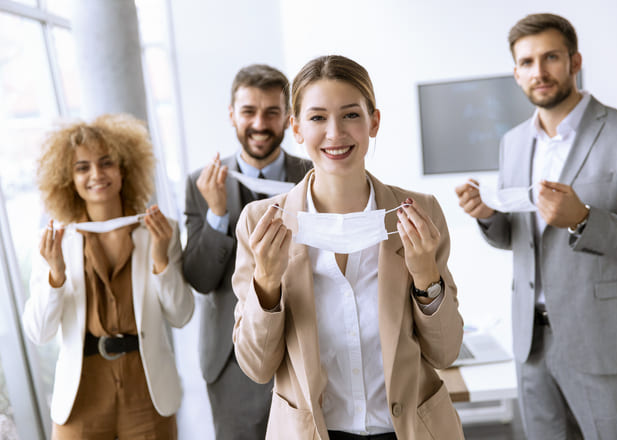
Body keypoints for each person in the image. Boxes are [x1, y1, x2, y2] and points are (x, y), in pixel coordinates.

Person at [231, 55, 464, 440]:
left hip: (410, 431)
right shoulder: (261, 222)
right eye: (318, 117)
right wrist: (267, 284)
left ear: (374, 121)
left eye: (351, 115)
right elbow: (256, 366)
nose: (336, 133)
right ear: (296, 128)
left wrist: (426, 277)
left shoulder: (419, 213)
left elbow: (446, 352)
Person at [455, 13, 617, 439]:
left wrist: (585, 219)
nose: (539, 71)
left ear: (575, 61)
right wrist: (488, 216)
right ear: (515, 73)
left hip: (603, 339)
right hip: (531, 341)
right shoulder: (512, 142)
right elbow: (521, 240)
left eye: (551, 57)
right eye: (527, 62)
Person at [22, 113, 194, 439]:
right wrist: (56, 274)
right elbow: (39, 332)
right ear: (67, 179)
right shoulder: (56, 241)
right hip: (81, 390)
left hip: (146, 388)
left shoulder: (158, 231)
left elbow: (182, 315)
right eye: (82, 167)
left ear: (125, 168)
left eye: (106, 163)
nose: (97, 174)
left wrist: (160, 259)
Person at [182, 64, 312, 439]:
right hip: (232, 356)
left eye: (272, 112)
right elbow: (201, 279)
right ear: (231, 115)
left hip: (303, 345)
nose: (260, 123)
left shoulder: (314, 174)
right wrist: (217, 215)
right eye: (248, 112)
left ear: (288, 118)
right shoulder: (199, 183)